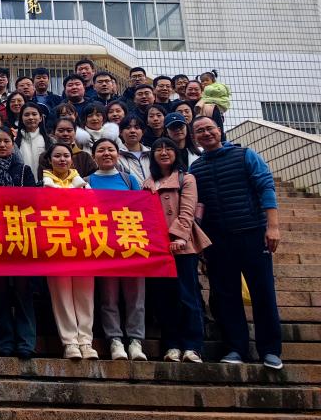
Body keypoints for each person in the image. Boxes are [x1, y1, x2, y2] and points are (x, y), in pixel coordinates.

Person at [190, 116, 283, 369]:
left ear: (219, 130)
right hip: (218, 240)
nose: (206, 133)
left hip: (252, 233)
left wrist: (272, 226)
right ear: (194, 138)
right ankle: (236, 348)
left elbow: (266, 187)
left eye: (209, 128)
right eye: (199, 131)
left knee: (263, 292)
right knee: (226, 295)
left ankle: (270, 350)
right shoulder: (195, 168)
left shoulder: (245, 155)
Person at [144, 137, 210, 363]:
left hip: (182, 246)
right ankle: (171, 344)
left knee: (188, 296)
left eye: (168, 149)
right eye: (158, 149)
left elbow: (187, 211)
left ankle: (193, 346)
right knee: (164, 298)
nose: (163, 153)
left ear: (176, 153)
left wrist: (179, 236)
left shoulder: (186, 178)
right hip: (157, 249)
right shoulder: (148, 182)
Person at [87, 138, 147, 361]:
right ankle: (115, 340)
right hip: (104, 246)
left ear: (118, 154)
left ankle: (136, 341)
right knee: (108, 296)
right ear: (93, 155)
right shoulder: (87, 181)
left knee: (136, 296)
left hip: (131, 243)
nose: (106, 153)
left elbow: (142, 210)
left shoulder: (129, 179)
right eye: (101, 150)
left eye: (110, 149)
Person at [0, 127, 38, 360]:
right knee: (0, 290)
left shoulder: (24, 170)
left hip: (21, 234)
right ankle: (4, 341)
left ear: (13, 143)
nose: (2, 145)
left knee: (24, 290)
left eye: (6, 141)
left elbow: (34, 201)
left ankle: (26, 341)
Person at [41, 142, 97, 360]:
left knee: (85, 295)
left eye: (66, 156)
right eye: (57, 156)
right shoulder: (41, 185)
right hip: (56, 245)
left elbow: (94, 211)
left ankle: (86, 341)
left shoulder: (84, 185)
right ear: (49, 160)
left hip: (82, 245)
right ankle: (70, 342)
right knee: (61, 295)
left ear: (72, 160)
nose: (62, 159)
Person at [116, 114, 152, 185]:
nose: (132, 131)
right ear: (120, 132)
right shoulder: (116, 156)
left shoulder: (151, 154)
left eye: (137, 128)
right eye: (128, 128)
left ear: (143, 132)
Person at [15, 103, 48, 179]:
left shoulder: (49, 141)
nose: (30, 117)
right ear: (21, 119)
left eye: (34, 114)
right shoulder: (14, 142)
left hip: (44, 183)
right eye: (26, 115)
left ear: (40, 118)